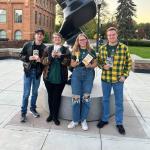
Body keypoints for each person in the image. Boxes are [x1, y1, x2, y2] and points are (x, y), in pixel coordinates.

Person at [97, 27, 132, 135]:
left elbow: (128, 63)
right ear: (107, 36)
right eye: (109, 35)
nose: (111, 36)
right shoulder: (102, 48)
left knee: (119, 102)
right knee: (105, 100)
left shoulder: (124, 48)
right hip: (106, 79)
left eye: (113, 34)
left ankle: (119, 123)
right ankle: (105, 119)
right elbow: (98, 62)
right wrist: (103, 66)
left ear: (116, 35)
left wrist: (124, 76)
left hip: (118, 80)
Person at [67, 33, 97, 131]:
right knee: (76, 98)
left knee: (86, 98)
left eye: (84, 39)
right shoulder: (75, 51)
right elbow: (71, 63)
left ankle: (83, 120)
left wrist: (90, 66)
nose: (82, 41)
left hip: (88, 74)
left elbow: (95, 63)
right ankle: (75, 120)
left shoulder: (91, 51)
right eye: (80, 40)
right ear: (78, 41)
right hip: (77, 75)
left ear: (87, 40)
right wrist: (74, 64)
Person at [41, 33, 71, 125]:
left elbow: (68, 63)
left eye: (58, 37)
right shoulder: (48, 48)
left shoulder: (65, 50)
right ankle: (51, 114)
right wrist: (51, 57)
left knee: (57, 97)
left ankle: (55, 116)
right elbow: (43, 61)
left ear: (61, 39)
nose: (57, 39)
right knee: (50, 96)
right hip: (48, 78)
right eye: (55, 37)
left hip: (60, 78)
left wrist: (60, 56)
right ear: (53, 39)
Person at [20, 28, 46, 122]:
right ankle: (23, 112)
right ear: (35, 35)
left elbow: (46, 62)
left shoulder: (45, 48)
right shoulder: (27, 45)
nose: (39, 35)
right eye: (38, 34)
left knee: (35, 93)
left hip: (37, 73)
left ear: (43, 36)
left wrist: (41, 60)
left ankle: (33, 108)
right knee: (26, 93)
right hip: (28, 72)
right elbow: (20, 56)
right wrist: (28, 57)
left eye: (41, 34)